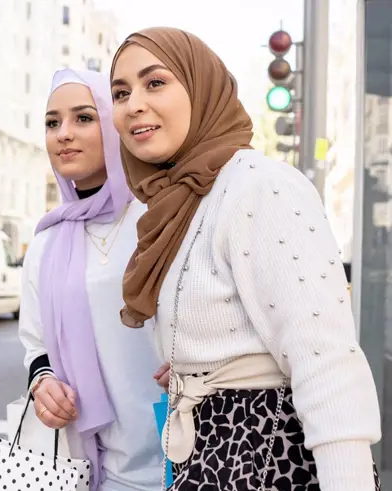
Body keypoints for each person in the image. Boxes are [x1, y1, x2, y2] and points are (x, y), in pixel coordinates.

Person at [109, 27, 381, 491]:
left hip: (266, 459)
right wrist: (201, 364)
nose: (133, 103)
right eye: (120, 92)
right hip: (213, 455)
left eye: (155, 82)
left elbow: (325, 359)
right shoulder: (180, 204)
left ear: (201, 88)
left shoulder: (258, 184)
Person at [18, 68, 163, 491]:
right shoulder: (47, 242)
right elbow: (35, 344)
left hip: (192, 462)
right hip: (98, 471)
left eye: (83, 118)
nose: (63, 133)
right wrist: (42, 383)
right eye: (52, 122)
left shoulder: (159, 216)